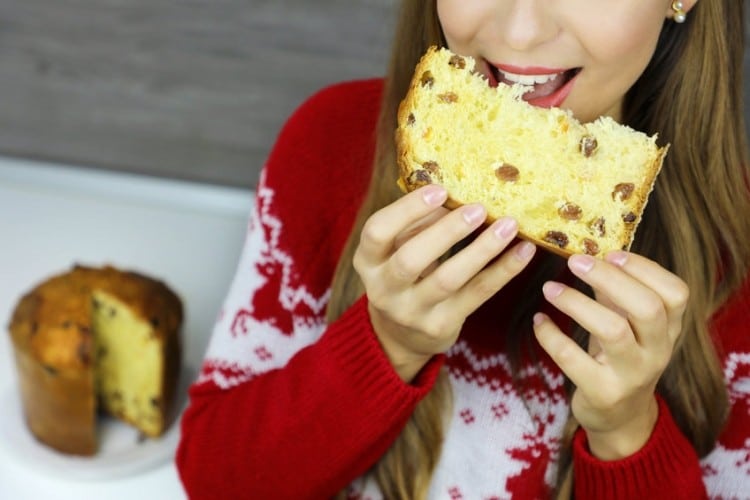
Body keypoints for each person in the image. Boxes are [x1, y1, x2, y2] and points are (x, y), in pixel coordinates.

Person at [176, 0, 750, 498]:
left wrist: (627, 431)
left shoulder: (741, 246)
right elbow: (215, 481)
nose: (521, 32)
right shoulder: (327, 143)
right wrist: (385, 348)